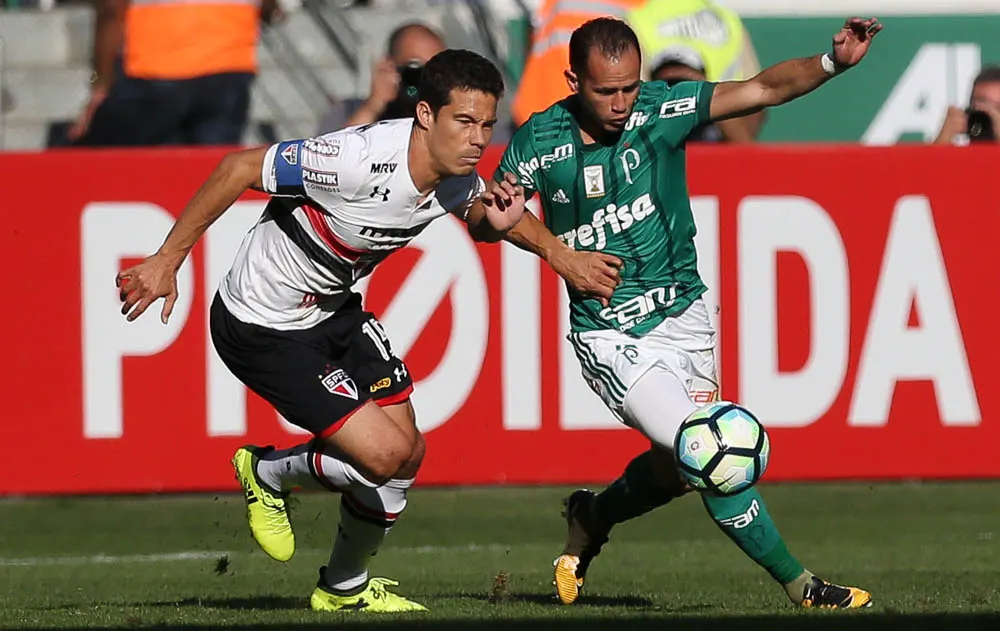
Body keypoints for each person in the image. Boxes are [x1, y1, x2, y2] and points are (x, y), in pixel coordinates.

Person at [481, 16, 882, 609]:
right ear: (572, 80)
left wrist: (831, 63)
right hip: (612, 334)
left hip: (686, 315)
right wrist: (558, 254)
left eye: (629, 87)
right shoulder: (541, 139)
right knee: (711, 448)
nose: (621, 103)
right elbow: (486, 217)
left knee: (674, 471)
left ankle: (590, 517)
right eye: (605, 91)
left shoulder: (662, 109)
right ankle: (803, 586)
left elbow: (762, 90)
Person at [116, 50, 517, 613]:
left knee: (408, 455)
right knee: (381, 457)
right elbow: (236, 167)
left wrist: (560, 257)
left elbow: (480, 215)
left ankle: (342, 587)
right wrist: (166, 260)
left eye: (487, 125)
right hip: (260, 322)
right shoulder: (354, 158)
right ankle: (266, 470)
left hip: (332, 309)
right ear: (426, 115)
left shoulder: (449, 173)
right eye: (466, 122)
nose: (479, 139)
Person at [318, 23, 446, 133]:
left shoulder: (449, 116)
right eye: (416, 69)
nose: (426, 79)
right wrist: (373, 105)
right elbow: (333, 155)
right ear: (389, 66)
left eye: (436, 70)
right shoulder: (346, 111)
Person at [934, 65, 1000, 145]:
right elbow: (928, 158)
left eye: (998, 108)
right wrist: (942, 141)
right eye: (983, 106)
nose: (991, 116)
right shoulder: (959, 155)